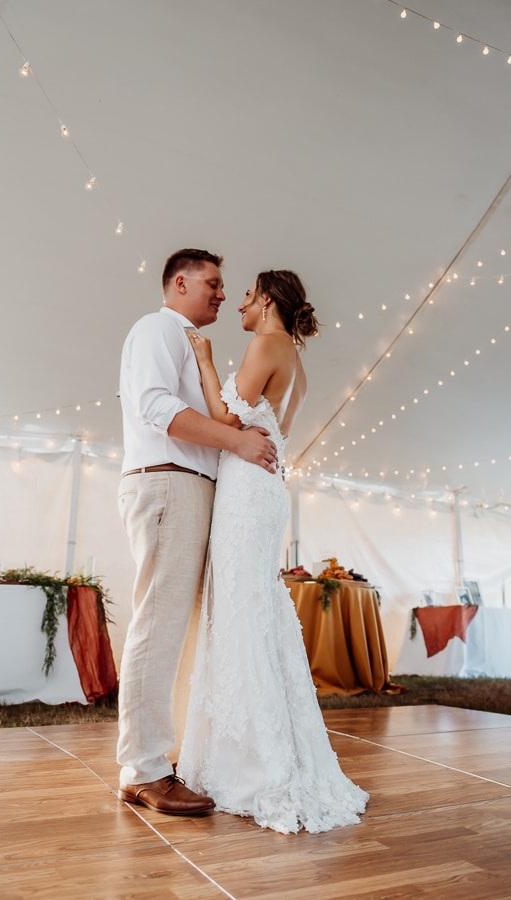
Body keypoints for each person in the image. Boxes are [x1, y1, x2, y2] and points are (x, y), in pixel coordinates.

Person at [177, 269, 369, 834]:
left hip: (246, 491)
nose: (237, 302)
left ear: (266, 299)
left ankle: (255, 764)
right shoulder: (297, 363)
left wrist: (208, 361)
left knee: (238, 610)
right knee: (252, 609)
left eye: (246, 294)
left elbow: (226, 419)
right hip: (262, 489)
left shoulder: (266, 342)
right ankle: (255, 750)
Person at [116, 248, 279, 817]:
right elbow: (154, 406)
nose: (220, 293)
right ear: (179, 282)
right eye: (212, 283)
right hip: (168, 484)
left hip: (187, 488)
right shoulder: (157, 329)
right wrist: (235, 442)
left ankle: (158, 758)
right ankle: (143, 770)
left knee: (177, 631)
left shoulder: (189, 342)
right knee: (157, 626)